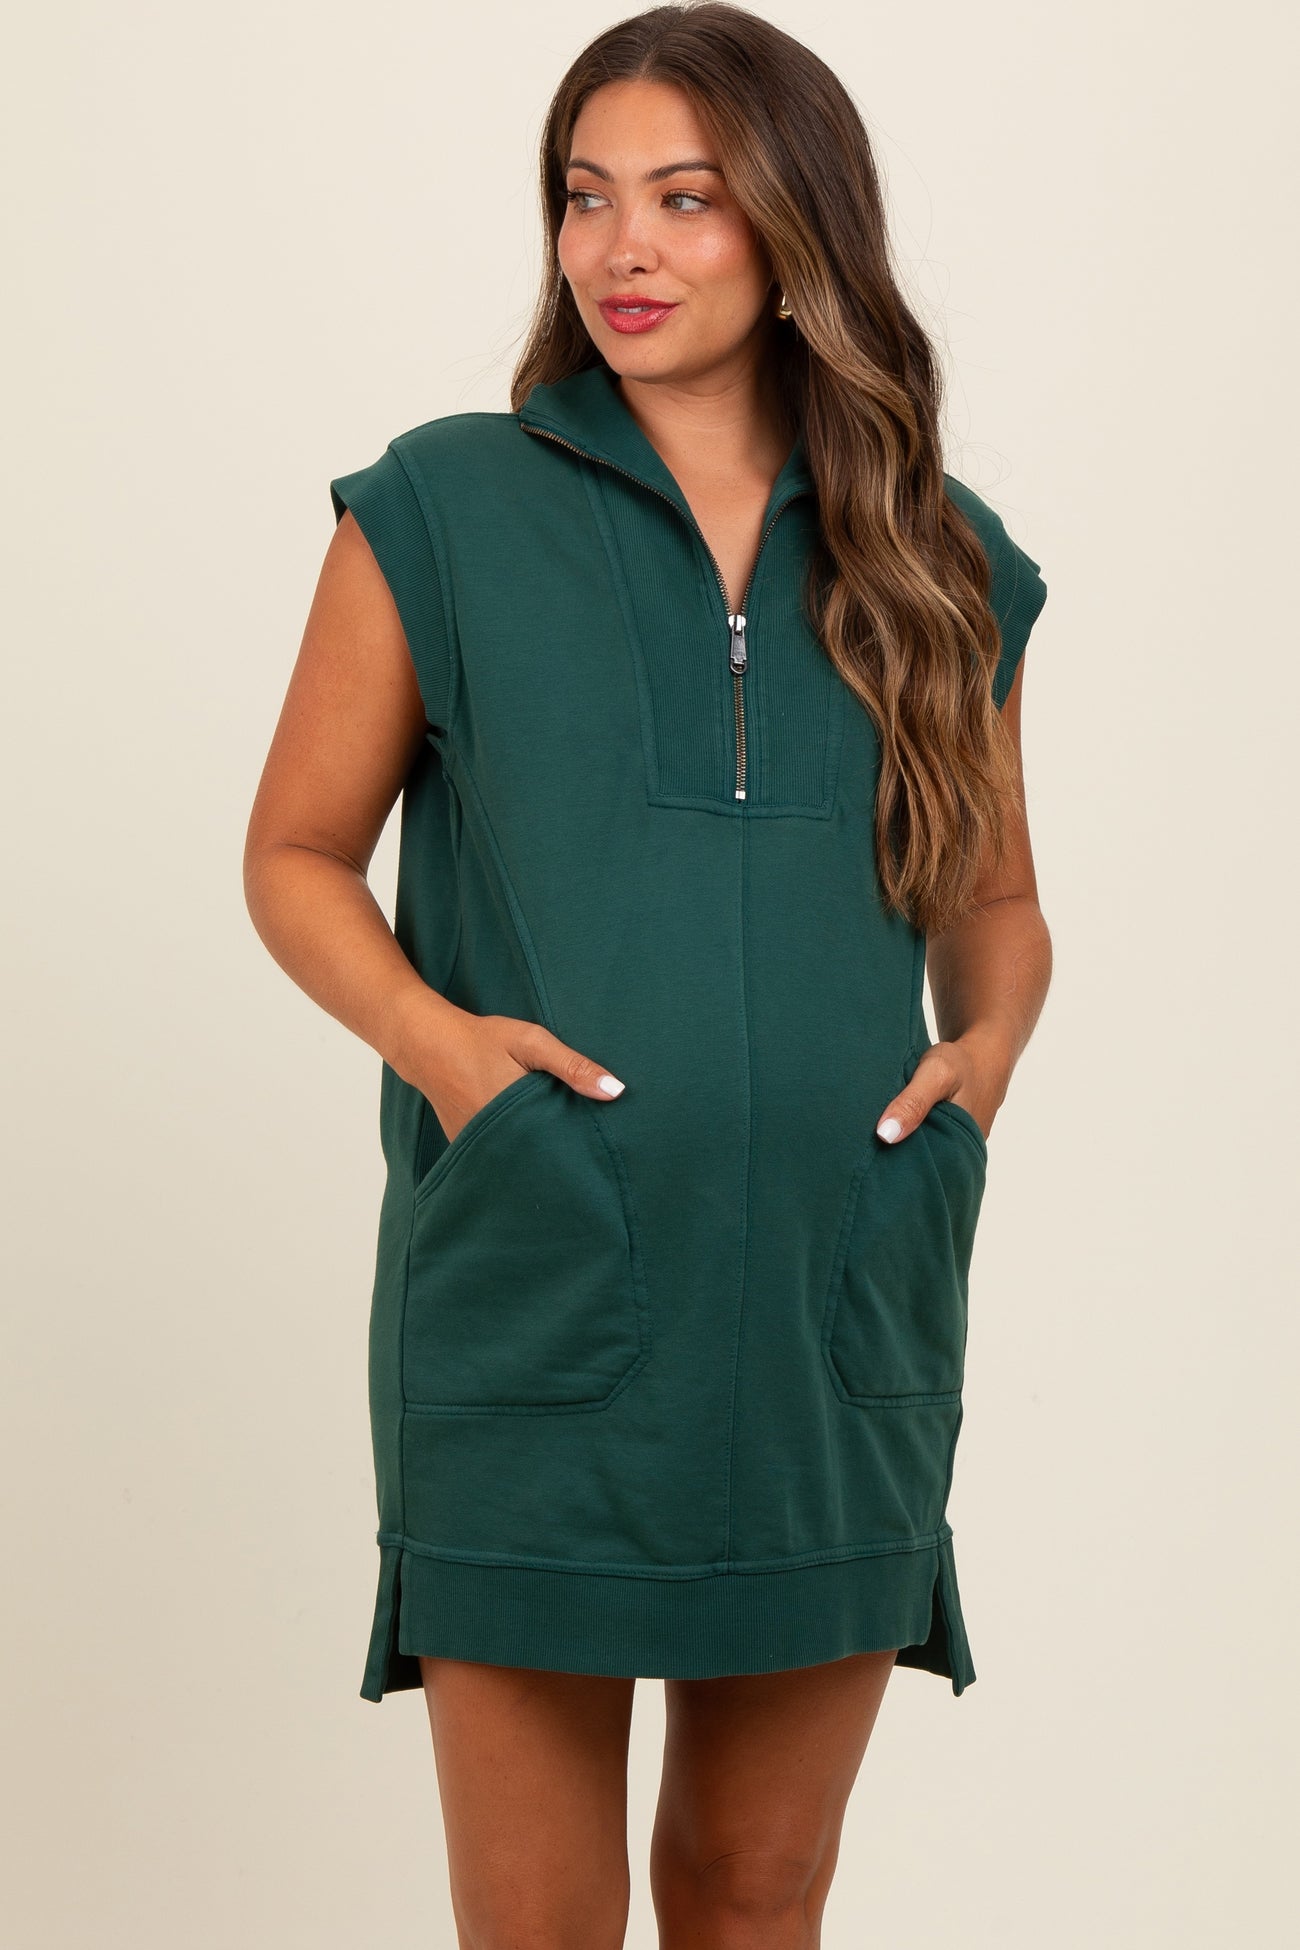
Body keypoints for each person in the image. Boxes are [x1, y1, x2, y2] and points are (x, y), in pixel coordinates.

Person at [243, 3, 1051, 1942]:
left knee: (754, 1892)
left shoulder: (936, 557)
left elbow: (997, 899)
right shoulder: (439, 509)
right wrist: (449, 1057)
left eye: (685, 199)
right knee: (536, 1920)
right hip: (537, 1290)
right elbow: (294, 856)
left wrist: (981, 1061)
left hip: (833, 1315)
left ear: (796, 227)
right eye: (584, 195)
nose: (622, 247)